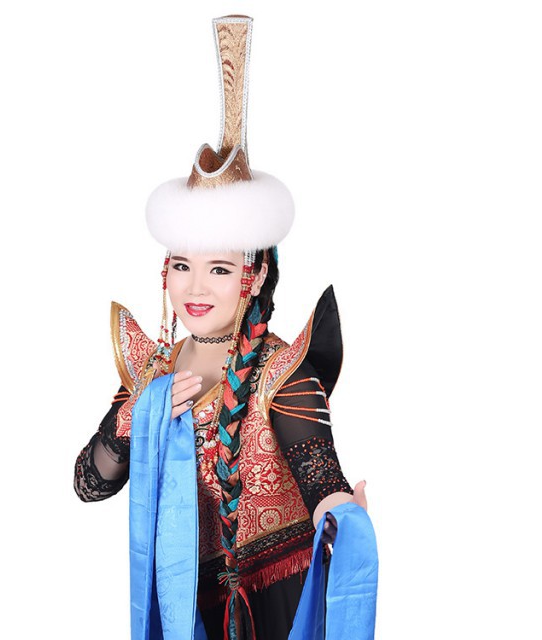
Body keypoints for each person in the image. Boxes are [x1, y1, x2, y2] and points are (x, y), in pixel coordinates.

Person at [73, 15, 369, 640]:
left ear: (252, 278)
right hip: (187, 611)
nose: (196, 288)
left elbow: (320, 474)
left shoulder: (282, 371)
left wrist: (343, 514)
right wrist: (135, 418)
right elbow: (89, 484)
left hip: (279, 604)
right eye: (183, 266)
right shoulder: (152, 371)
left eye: (218, 268)